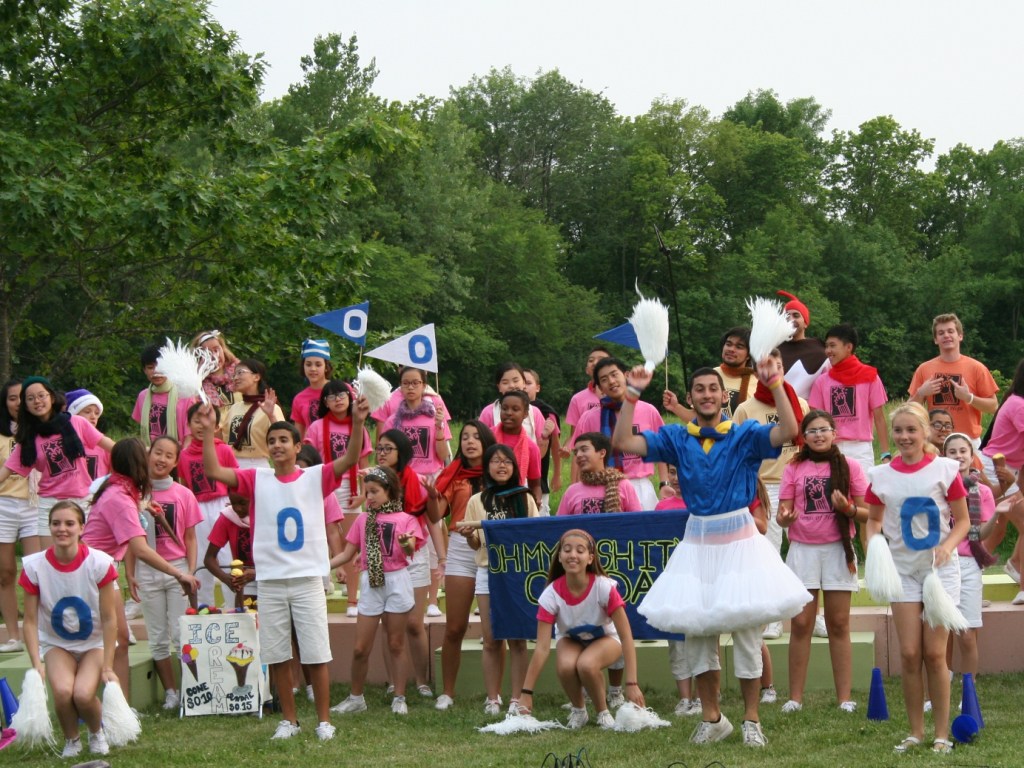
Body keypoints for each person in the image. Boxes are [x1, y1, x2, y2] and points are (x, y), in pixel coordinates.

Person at [612, 362, 810, 747]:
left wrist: (776, 383)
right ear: (689, 398)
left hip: (740, 541)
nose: (706, 394)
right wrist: (632, 394)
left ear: (724, 396)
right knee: (699, 634)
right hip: (698, 542)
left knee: (747, 634)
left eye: (712, 389)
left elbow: (789, 430)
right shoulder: (675, 437)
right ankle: (712, 717)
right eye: (698, 389)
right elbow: (622, 442)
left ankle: (752, 719)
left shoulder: (745, 435)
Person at [197, 397, 370, 741]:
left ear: (297, 445)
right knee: (277, 653)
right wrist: (205, 435)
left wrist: (359, 422)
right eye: (272, 440)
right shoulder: (255, 478)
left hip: (306, 577)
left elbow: (350, 458)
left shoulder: (314, 477)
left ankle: (324, 721)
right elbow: (215, 472)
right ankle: (289, 720)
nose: (277, 445)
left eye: (283, 440)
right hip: (271, 580)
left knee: (316, 651)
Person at [864, 401, 969, 755]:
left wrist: (948, 547)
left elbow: (963, 521)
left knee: (935, 654)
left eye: (912, 429)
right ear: (891, 434)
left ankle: (941, 734)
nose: (905, 436)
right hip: (902, 572)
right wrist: (874, 545)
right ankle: (916, 732)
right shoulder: (881, 475)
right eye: (899, 430)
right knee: (909, 654)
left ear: (925, 432)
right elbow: (874, 520)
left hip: (939, 573)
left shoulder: (944, 469)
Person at [81, 438, 200, 692]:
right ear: (138, 464)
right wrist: (179, 574)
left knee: (122, 639)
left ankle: (122, 704)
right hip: (91, 573)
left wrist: (144, 504)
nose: (154, 461)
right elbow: (141, 549)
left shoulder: (121, 491)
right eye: (148, 456)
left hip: (103, 571)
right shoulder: (119, 499)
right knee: (99, 642)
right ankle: (87, 698)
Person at [776, 410, 868, 713]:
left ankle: (845, 698)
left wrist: (849, 509)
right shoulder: (794, 467)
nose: (818, 435)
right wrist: (785, 518)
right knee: (801, 624)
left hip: (838, 550)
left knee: (838, 623)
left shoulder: (850, 466)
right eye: (812, 431)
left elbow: (868, 512)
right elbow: (782, 513)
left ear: (834, 433)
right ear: (804, 436)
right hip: (803, 550)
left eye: (823, 430)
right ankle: (795, 698)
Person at [19, 500, 120, 758]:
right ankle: (72, 739)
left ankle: (97, 732)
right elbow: (29, 621)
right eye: (56, 523)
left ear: (81, 528)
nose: (62, 529)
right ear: (49, 526)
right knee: (63, 692)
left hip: (93, 643)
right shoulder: (34, 566)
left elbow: (109, 618)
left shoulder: (99, 563)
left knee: (83, 695)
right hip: (57, 643)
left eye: (69, 523)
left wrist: (108, 665)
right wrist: (36, 663)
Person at [517, 528, 645, 729]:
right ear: (559, 557)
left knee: (586, 664)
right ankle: (579, 710)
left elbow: (626, 635)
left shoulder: (604, 587)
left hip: (607, 639)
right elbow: (541, 648)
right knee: (566, 666)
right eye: (567, 550)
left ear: (590, 558)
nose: (573, 555)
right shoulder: (550, 595)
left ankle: (602, 712)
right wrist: (526, 693)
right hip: (571, 640)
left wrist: (632, 683)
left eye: (580, 550)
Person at [329, 466, 421, 716]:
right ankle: (356, 698)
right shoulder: (362, 519)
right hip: (370, 583)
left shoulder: (406, 519)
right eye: (366, 492)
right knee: (360, 648)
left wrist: (406, 541)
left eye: (374, 492)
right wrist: (321, 566)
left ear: (389, 491)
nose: (369, 497)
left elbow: (411, 551)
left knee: (396, 643)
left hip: (397, 582)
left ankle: (400, 696)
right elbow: (348, 554)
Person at [733, 349, 809, 640]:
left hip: (798, 484)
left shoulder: (799, 402)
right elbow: (740, 451)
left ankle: (810, 612)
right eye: (765, 366)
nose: (771, 370)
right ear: (755, 370)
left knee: (805, 552)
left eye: (776, 365)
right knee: (770, 553)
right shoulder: (745, 409)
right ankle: (774, 616)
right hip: (765, 485)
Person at [459, 444, 540, 715]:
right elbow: (474, 544)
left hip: (516, 573)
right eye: (495, 461)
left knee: (517, 638)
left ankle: (517, 698)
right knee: (491, 637)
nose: (501, 466)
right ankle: (492, 697)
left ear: (515, 467)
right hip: (487, 572)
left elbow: (534, 535)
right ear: (487, 467)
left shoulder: (525, 499)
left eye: (507, 461)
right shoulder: (477, 501)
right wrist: (470, 535)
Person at [127, 436, 202, 710]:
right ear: (148, 454)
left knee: (181, 633)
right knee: (157, 636)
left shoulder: (184, 494)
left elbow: (191, 538)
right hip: (147, 571)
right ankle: (171, 692)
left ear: (175, 462)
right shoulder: (134, 494)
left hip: (178, 570)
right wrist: (130, 573)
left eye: (168, 455)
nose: (161, 459)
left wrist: (190, 571)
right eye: (157, 452)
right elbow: (129, 538)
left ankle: (191, 688)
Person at [426, 420, 496, 710]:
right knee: (455, 626)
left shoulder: (499, 471)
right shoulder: (452, 474)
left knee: (494, 631)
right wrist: (431, 495)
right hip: (459, 547)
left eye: (475, 437)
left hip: (492, 549)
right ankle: (448, 693)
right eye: (464, 437)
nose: (469, 441)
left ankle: (494, 697)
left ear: (486, 440)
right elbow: (435, 516)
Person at [0, 376, 114, 547]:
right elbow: (5, 472)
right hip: (49, 505)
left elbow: (114, 447)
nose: (37, 401)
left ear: (51, 398)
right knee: (52, 561)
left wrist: (143, 453)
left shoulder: (77, 423)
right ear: (26, 406)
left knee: (85, 559)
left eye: (41, 395)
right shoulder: (28, 439)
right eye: (30, 399)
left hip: (82, 500)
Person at [369, 428, 435, 697]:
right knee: (389, 624)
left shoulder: (416, 480)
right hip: (383, 554)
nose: (382, 453)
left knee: (413, 623)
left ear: (402, 452)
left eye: (388, 448)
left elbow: (432, 519)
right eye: (379, 448)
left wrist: (441, 557)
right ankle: (394, 682)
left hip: (414, 553)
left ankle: (421, 681)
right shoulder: (373, 478)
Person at [305, 379, 371, 616]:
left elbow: (364, 463)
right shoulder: (316, 427)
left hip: (351, 490)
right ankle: (318, 596)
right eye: (332, 396)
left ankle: (353, 600)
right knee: (322, 543)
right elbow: (309, 461)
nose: (338, 399)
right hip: (323, 488)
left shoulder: (359, 426)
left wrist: (364, 495)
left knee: (351, 546)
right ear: (324, 402)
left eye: (342, 394)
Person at [942, 433, 1004, 686]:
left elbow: (982, 535)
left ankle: (968, 688)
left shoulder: (984, 491)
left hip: (969, 564)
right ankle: (938, 686)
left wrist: (997, 516)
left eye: (963, 451)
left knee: (966, 635)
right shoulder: (938, 486)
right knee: (940, 631)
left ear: (972, 455)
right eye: (952, 452)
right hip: (943, 561)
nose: (958, 456)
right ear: (944, 457)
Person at [571, 357, 665, 506]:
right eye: (604, 379)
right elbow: (578, 456)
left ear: (626, 375)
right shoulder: (589, 418)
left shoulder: (649, 411)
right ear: (600, 388)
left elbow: (662, 449)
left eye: (615, 374)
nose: (611, 381)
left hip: (639, 486)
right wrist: (575, 489)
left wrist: (664, 483)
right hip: (602, 487)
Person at [179, 402, 238, 608]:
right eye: (196, 421)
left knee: (227, 556)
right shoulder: (184, 455)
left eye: (206, 422)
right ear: (188, 424)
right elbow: (184, 486)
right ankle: (205, 607)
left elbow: (236, 480)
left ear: (215, 426)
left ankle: (233, 605)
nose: (201, 426)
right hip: (197, 509)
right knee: (202, 556)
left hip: (223, 507)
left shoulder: (224, 451)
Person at [808, 324, 889, 474]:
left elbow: (879, 418)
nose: (828, 351)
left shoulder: (870, 377)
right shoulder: (822, 381)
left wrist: (885, 454)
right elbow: (815, 419)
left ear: (849, 347)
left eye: (833, 346)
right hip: (830, 448)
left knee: (862, 496)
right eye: (826, 346)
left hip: (861, 449)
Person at [909, 313, 998, 443]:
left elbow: (993, 407)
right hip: (935, 441)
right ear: (935, 339)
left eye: (951, 331)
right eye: (941, 333)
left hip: (968, 441)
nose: (946, 335)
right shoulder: (924, 369)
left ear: (960, 336)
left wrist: (969, 398)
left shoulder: (977, 368)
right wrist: (921, 393)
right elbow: (909, 410)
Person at [0, 379, 37, 653]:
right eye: (13, 398)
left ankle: (39, 633)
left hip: (36, 504)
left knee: (36, 570)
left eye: (23, 398)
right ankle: (13, 636)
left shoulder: (40, 430)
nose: (18, 403)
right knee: (5, 572)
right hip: (4, 505)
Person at [665, 327, 755, 420]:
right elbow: (698, 419)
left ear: (748, 355)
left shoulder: (758, 382)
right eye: (728, 344)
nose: (731, 349)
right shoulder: (710, 376)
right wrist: (675, 407)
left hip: (744, 434)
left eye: (739, 347)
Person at [558, 432, 642, 515]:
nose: (579, 455)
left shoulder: (624, 485)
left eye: (584, 450)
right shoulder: (572, 491)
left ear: (602, 453)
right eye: (576, 452)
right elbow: (559, 525)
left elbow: (637, 522)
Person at [222, 358, 285, 469]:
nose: (236, 378)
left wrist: (271, 416)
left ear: (256, 377)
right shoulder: (234, 408)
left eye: (240, 373)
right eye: (234, 374)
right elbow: (223, 440)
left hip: (257, 466)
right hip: (232, 466)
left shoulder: (270, 407)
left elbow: (283, 436)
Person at [131, 344, 194, 446]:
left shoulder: (185, 395)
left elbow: (189, 435)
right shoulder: (143, 396)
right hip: (150, 454)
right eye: (150, 367)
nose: (156, 372)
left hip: (176, 455)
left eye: (160, 367)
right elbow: (143, 429)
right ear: (144, 370)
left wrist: (182, 458)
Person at [491, 390, 543, 507]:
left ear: (525, 413)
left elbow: (535, 484)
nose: (509, 413)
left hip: (515, 502)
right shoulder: (488, 437)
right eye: (504, 408)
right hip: (487, 499)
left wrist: (536, 500)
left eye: (515, 409)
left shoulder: (531, 448)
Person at [776, 290, 829, 399]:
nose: (791, 319)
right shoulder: (773, 349)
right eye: (787, 316)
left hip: (805, 411)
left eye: (796, 315)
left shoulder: (820, 352)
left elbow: (828, 387)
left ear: (805, 323)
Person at [522, 369, 561, 514]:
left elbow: (555, 445)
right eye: (522, 382)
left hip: (539, 473)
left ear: (537, 387)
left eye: (529, 383)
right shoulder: (506, 408)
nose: (524, 387)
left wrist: (557, 474)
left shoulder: (546, 412)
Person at [561, 346, 612, 456]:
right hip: (589, 456)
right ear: (587, 370)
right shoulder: (577, 399)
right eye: (591, 360)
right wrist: (566, 447)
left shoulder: (621, 396)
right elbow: (575, 435)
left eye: (601, 359)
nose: (595, 363)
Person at [289, 338, 333, 440]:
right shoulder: (299, 399)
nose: (313, 369)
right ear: (303, 366)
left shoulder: (341, 390)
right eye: (308, 364)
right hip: (312, 453)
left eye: (318, 364)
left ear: (326, 367)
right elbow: (298, 436)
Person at [65, 389, 112, 482]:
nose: (93, 416)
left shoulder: (104, 444)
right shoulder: (61, 442)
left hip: (97, 495)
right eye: (87, 411)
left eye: (97, 413)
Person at [191, 329, 238, 407]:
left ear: (223, 349)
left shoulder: (241, 373)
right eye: (208, 353)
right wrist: (198, 376)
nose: (214, 356)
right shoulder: (197, 385)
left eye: (216, 349)